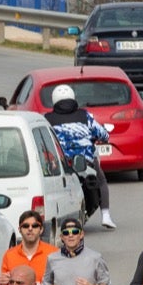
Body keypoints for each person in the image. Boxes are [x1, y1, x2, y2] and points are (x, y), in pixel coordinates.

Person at [43, 84, 116, 229]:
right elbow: (102, 133)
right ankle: (106, 215)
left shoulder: (47, 118)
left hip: (62, 163)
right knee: (101, 180)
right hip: (86, 161)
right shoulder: (84, 115)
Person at [0, 211, 59, 285]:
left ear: (41, 229)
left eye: (35, 226)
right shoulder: (9, 255)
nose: (30, 229)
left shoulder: (54, 253)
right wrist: (2, 284)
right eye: (26, 226)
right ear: (19, 229)